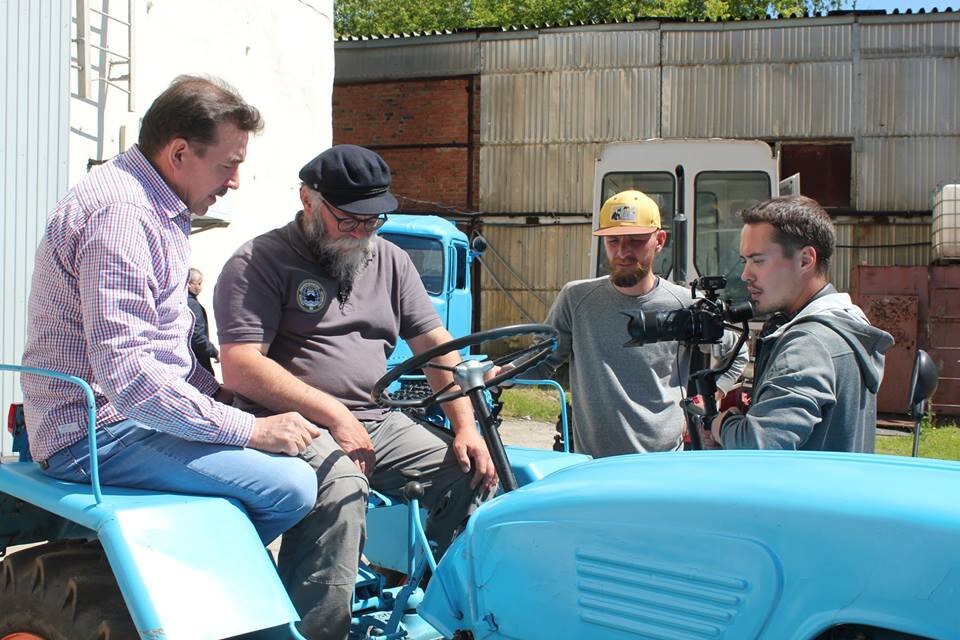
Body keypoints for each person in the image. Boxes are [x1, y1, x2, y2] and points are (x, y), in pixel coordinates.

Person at [20, 75, 320, 545]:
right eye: (228, 165)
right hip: (95, 435)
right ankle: (192, 600)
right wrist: (250, 429)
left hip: (124, 418)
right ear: (179, 154)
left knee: (291, 451)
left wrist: (225, 400)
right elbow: (131, 379)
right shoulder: (121, 216)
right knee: (291, 487)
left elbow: (164, 343)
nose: (236, 181)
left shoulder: (155, 204)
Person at [213, 144, 497, 640]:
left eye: (374, 220)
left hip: (375, 417)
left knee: (474, 472)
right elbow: (240, 367)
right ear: (308, 199)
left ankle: (441, 609)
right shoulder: (260, 261)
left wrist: (466, 426)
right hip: (284, 422)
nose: (364, 232)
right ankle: (315, 630)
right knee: (341, 488)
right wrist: (334, 416)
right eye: (350, 220)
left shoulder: (390, 260)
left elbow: (435, 346)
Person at [517, 189, 746, 457]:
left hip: (663, 463)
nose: (622, 252)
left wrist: (715, 392)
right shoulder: (576, 299)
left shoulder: (684, 304)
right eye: (613, 241)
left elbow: (737, 350)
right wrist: (501, 376)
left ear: (659, 240)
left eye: (636, 241)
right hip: (594, 465)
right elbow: (542, 361)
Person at [708, 195, 894, 452]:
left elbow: (758, 444)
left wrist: (722, 423)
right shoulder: (842, 325)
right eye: (745, 261)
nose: (745, 274)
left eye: (758, 260)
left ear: (806, 260)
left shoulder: (810, 344)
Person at [187, 267, 220, 374]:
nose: (200, 287)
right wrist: (215, 353)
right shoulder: (192, 305)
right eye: (199, 283)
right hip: (198, 365)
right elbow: (197, 337)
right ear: (189, 284)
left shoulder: (181, 303)